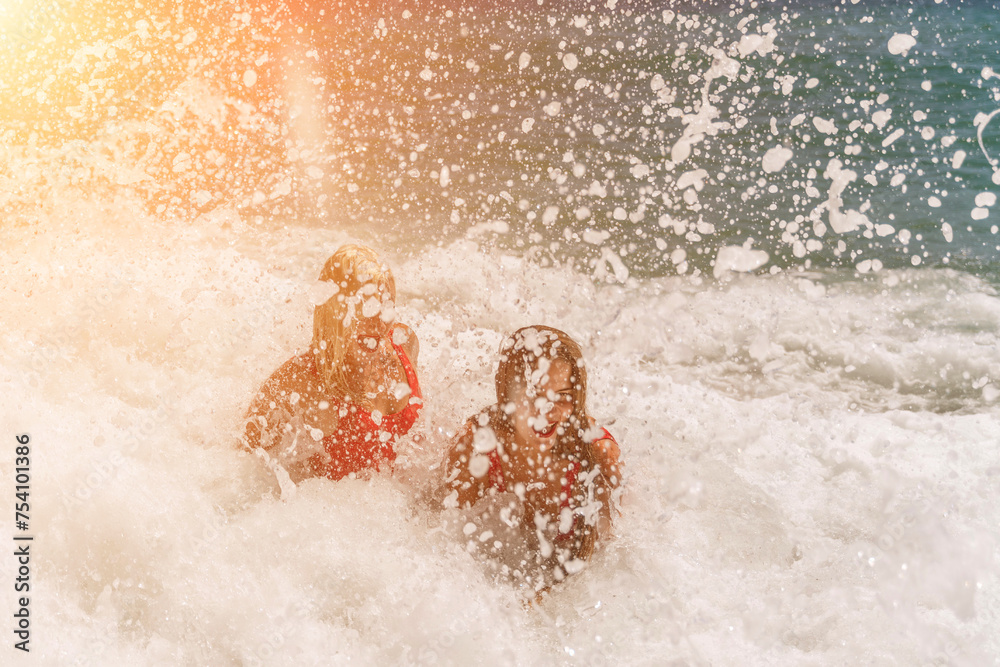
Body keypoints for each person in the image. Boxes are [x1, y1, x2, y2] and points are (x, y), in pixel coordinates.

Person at [441, 325, 622, 590]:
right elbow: (445, 544)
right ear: (506, 395)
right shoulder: (477, 446)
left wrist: (548, 598)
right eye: (536, 394)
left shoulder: (597, 455)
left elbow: (608, 560)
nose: (549, 410)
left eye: (564, 396)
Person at [243, 245, 421, 485]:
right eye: (368, 309)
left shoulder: (405, 342)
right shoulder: (301, 381)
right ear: (337, 317)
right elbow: (242, 463)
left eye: (386, 305)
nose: (382, 322)